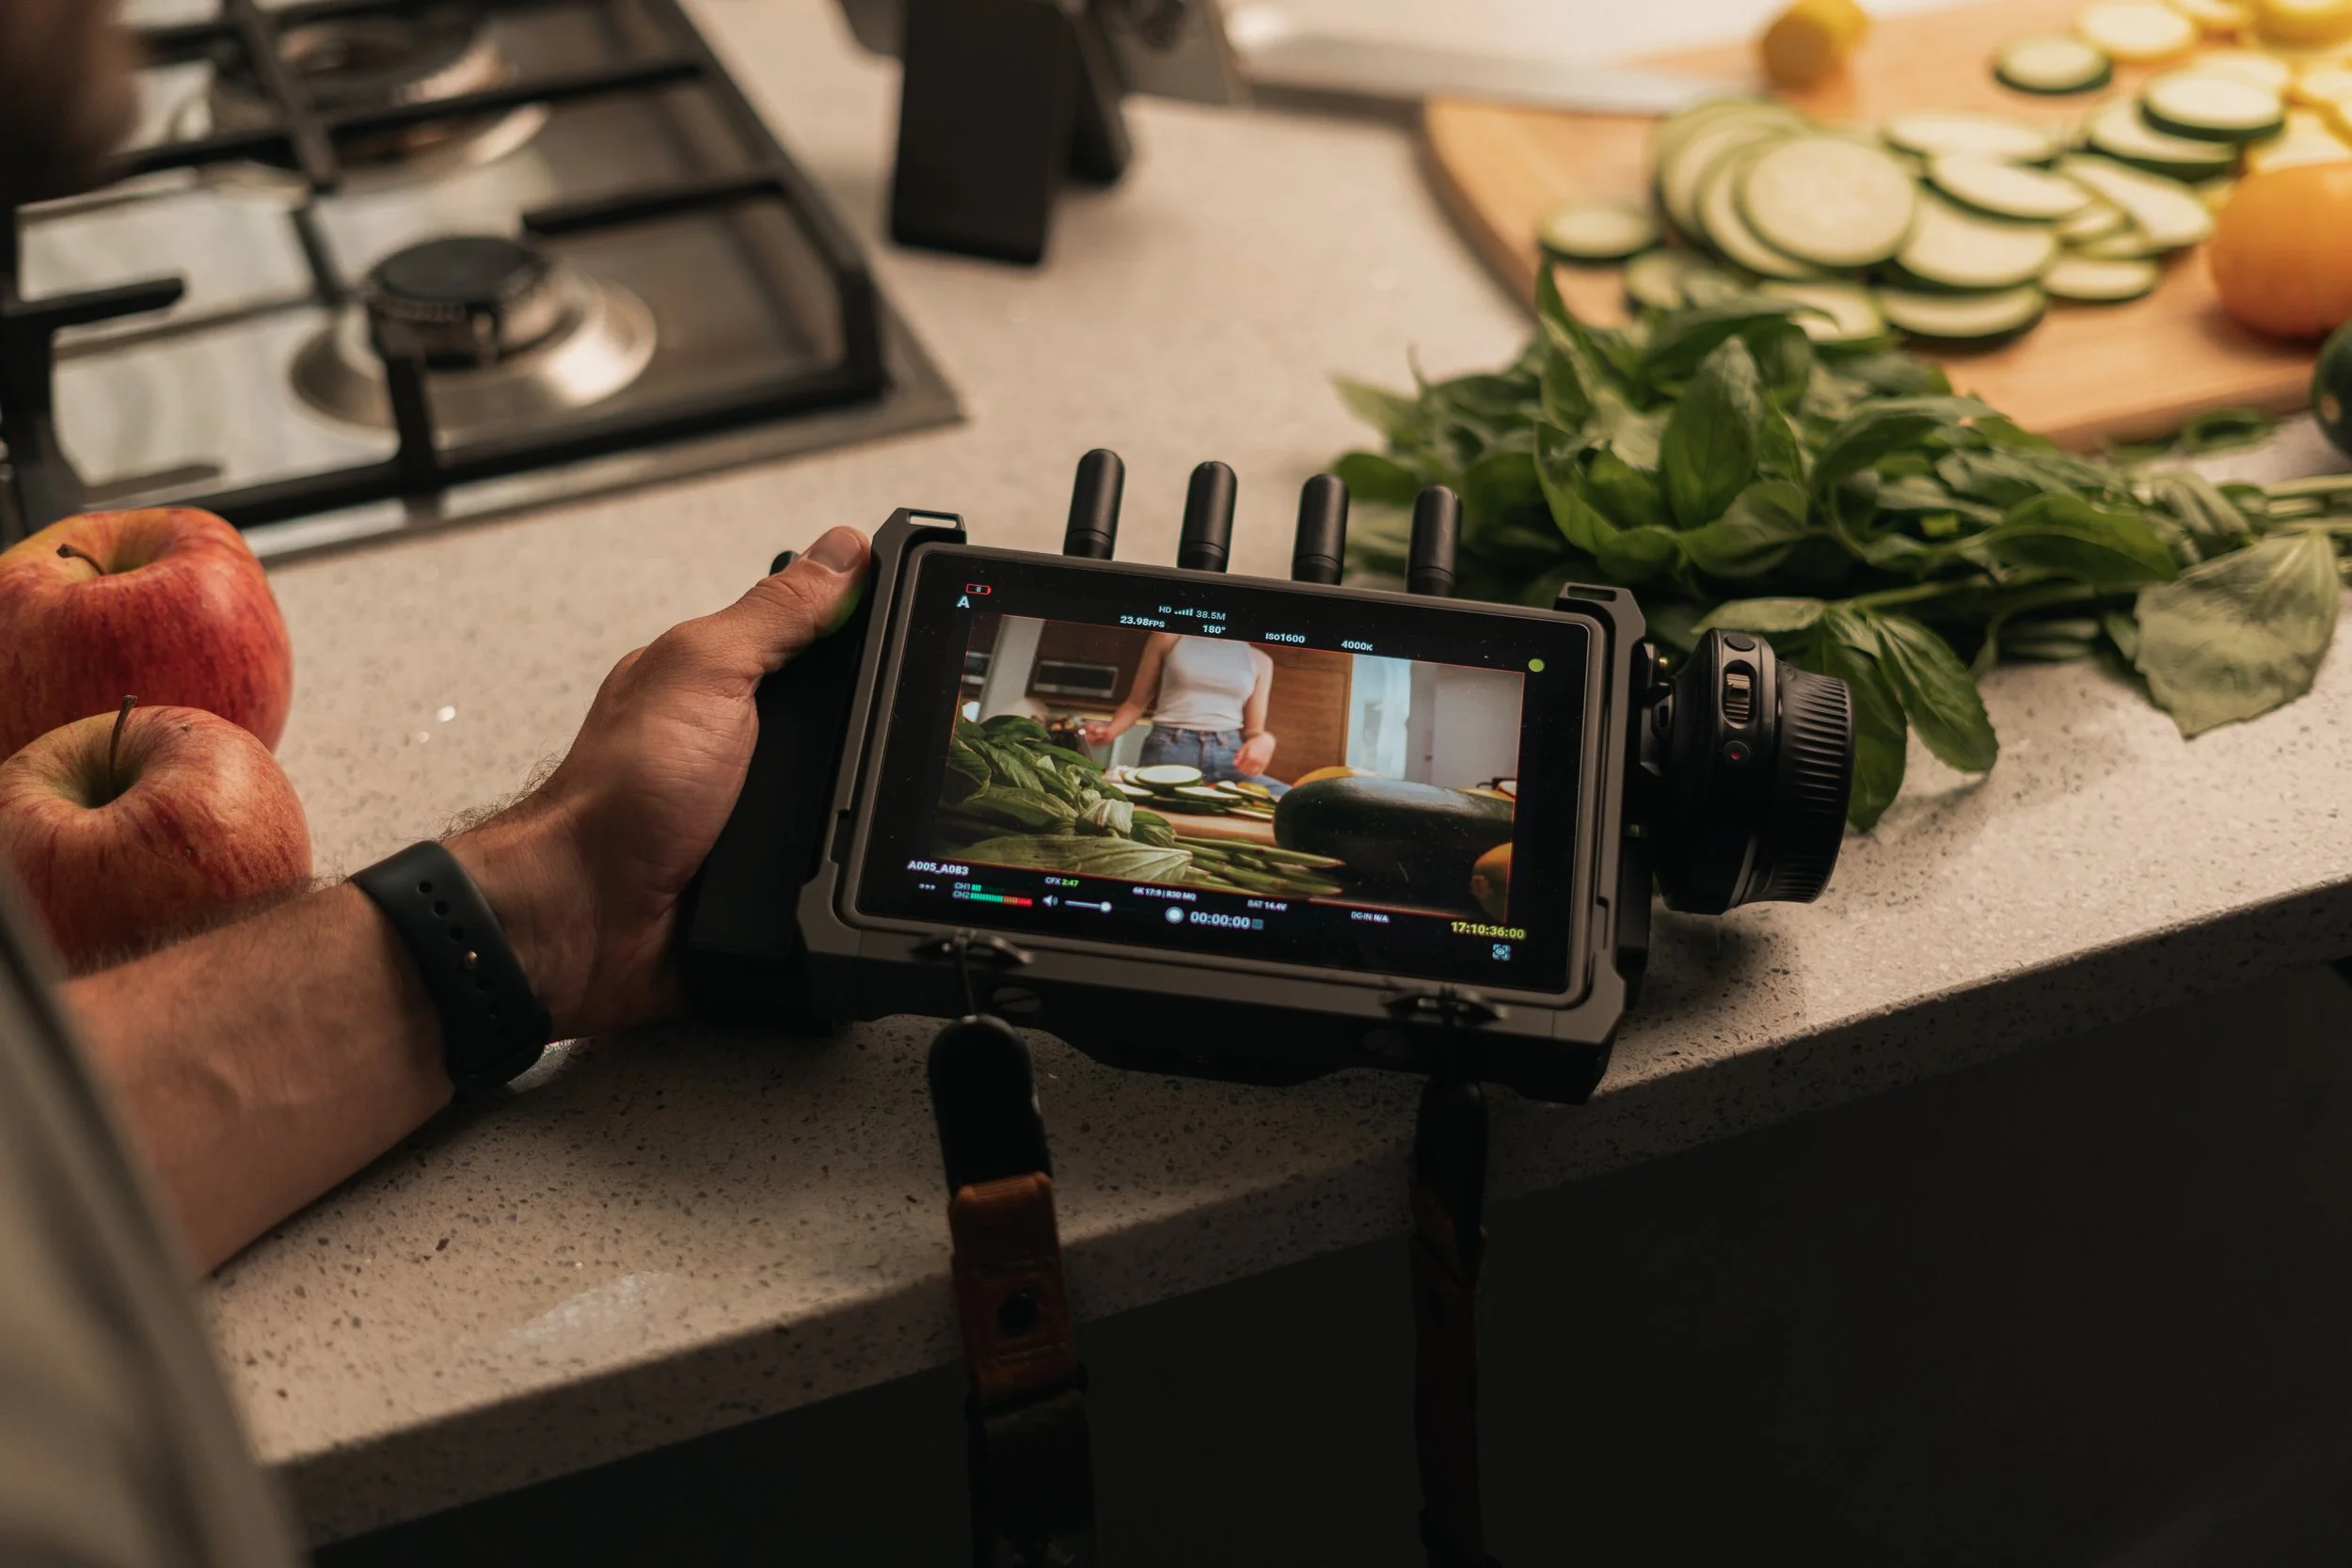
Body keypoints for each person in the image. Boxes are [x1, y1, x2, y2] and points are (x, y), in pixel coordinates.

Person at [1080, 631, 1284, 791]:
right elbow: (1135, 703)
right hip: (1170, 748)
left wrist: (1266, 740)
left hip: (1229, 756)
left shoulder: (1260, 660)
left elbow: (1255, 730)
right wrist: (1111, 731)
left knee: (1291, 797)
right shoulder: (1169, 638)